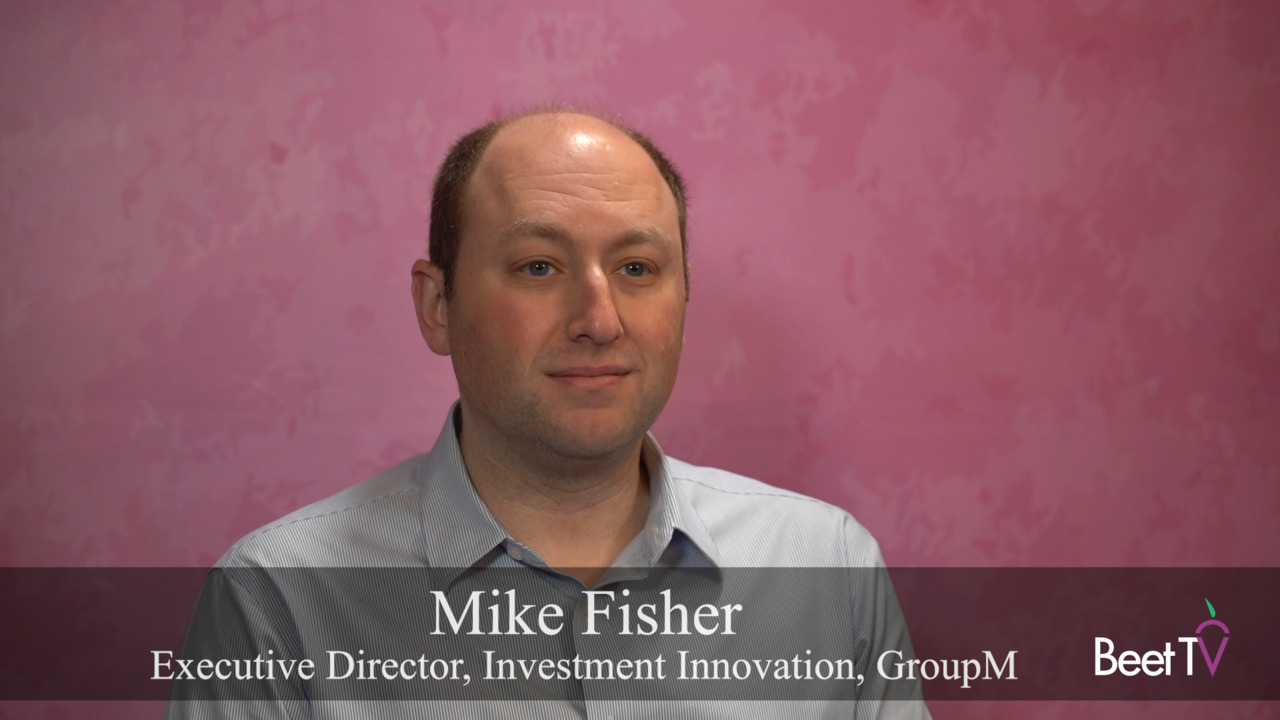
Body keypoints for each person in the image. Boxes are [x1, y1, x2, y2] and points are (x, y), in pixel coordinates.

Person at [166, 109, 930, 719]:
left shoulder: (829, 566)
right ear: (438, 306)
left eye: (637, 268)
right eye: (539, 266)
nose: (599, 319)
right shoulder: (277, 601)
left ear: (684, 303)